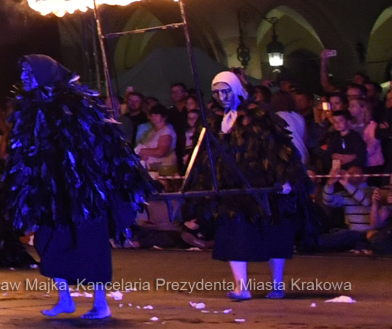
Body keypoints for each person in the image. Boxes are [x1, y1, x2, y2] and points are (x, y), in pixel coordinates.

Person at [4, 55, 153, 320]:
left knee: (90, 245)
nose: (25, 77)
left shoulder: (77, 102)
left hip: (84, 190)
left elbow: (101, 141)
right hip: (52, 190)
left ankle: (100, 303)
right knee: (48, 241)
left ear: (45, 73)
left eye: (30, 71)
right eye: (23, 72)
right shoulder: (30, 108)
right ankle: (65, 299)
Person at [189, 72, 312, 301]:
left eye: (225, 90)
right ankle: (241, 287)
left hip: (262, 186)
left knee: (273, 234)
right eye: (216, 92)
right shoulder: (214, 120)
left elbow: (280, 148)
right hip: (230, 189)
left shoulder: (260, 115)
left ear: (235, 89)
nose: (221, 96)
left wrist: (286, 178)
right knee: (234, 235)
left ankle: (277, 285)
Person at [134, 105, 178, 176]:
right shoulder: (150, 131)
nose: (153, 117)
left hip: (164, 169)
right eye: (152, 115)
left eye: (157, 114)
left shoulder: (167, 131)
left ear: (164, 117)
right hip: (151, 169)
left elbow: (161, 152)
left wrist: (141, 151)